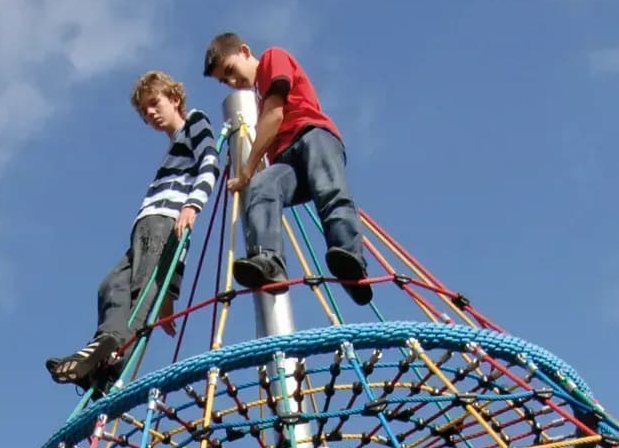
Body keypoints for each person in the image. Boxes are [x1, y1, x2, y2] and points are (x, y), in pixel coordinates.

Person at [46, 72, 220, 391]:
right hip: (145, 227)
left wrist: (192, 205)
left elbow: (210, 160)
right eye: (144, 111)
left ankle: (116, 366)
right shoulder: (172, 149)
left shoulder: (194, 121)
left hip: (164, 219)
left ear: (175, 99)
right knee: (111, 285)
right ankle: (103, 347)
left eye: (154, 103)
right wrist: (167, 295)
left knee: (142, 294)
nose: (150, 114)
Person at [203, 31, 374, 303]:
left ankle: (349, 259)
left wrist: (246, 171)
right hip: (286, 159)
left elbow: (274, 114)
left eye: (231, 70)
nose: (233, 82)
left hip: (310, 135)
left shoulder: (272, 58)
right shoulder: (258, 98)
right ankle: (269, 261)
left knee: (330, 191)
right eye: (225, 81)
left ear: (244, 51)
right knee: (263, 186)